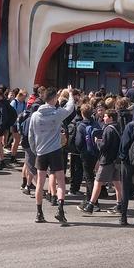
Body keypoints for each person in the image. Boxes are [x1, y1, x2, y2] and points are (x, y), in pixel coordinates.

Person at [27, 87, 73, 225]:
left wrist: (36, 150)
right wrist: (70, 94)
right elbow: (70, 108)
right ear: (53, 99)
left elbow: (31, 136)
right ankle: (60, 209)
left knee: (40, 183)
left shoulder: (35, 115)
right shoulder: (57, 113)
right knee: (60, 181)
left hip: (41, 151)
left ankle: (39, 212)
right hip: (55, 150)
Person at [83, 108, 121, 216]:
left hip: (107, 160)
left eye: (105, 116)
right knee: (117, 183)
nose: (103, 118)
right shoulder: (118, 127)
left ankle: (91, 205)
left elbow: (104, 146)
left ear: (110, 118)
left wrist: (97, 142)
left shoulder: (108, 129)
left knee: (97, 182)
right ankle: (120, 204)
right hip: (115, 160)